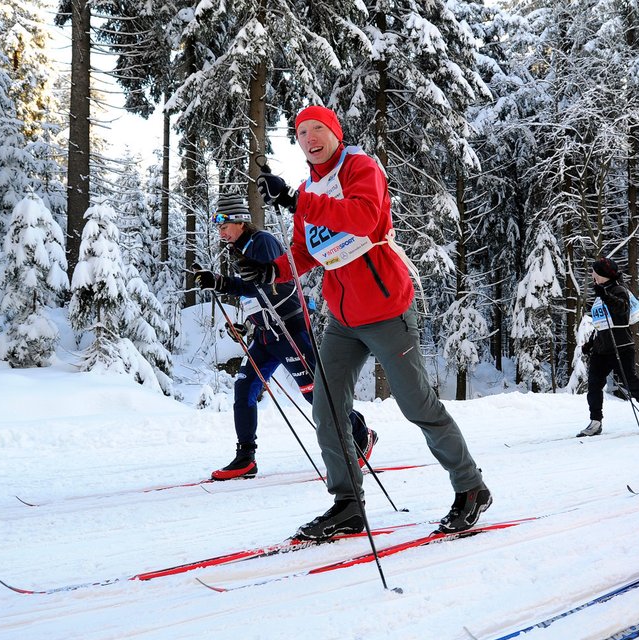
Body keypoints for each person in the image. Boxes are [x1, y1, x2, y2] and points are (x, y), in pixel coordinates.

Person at [252, 104, 491, 539]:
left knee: (417, 405)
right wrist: (271, 271)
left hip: (386, 310)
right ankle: (347, 505)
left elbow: (363, 218)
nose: (310, 138)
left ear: (334, 133)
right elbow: (305, 253)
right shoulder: (310, 187)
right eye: (302, 132)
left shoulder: (360, 167)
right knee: (326, 408)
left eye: (318, 129)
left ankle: (471, 488)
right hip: (342, 319)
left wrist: (294, 200)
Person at [193, 195, 375, 480]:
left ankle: (362, 434)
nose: (221, 231)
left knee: (316, 393)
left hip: (289, 329)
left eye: (226, 223)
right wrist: (228, 296)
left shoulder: (262, 242)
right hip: (266, 334)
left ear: (241, 221)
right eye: (218, 225)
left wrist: (223, 282)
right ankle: (245, 458)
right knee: (244, 390)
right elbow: (251, 294)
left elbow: (266, 284)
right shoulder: (239, 248)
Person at [578, 257, 639, 437]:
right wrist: (590, 343)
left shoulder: (619, 290)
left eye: (595, 271)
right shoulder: (600, 293)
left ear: (604, 274)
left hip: (621, 345)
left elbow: (621, 310)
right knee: (594, 384)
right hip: (601, 348)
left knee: (629, 382)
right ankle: (595, 422)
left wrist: (604, 295)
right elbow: (600, 323)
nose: (592, 274)